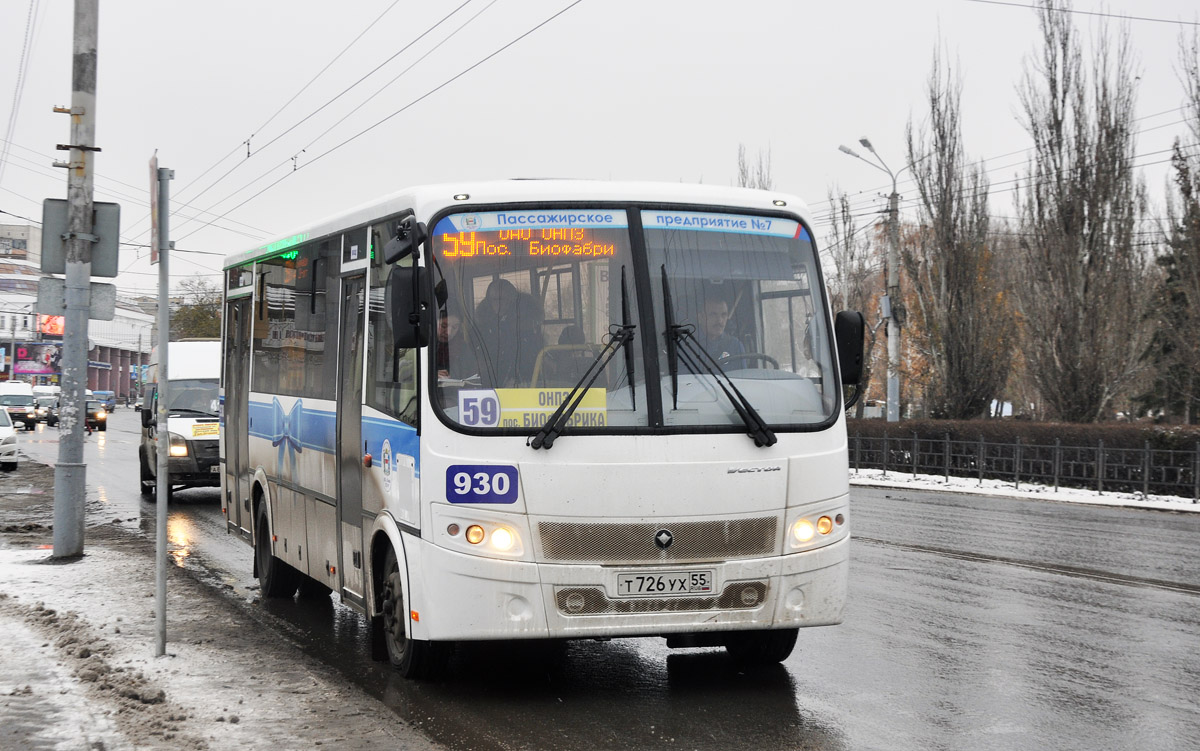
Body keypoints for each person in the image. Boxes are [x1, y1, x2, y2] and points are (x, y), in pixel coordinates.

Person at [472, 279, 543, 387]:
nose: (497, 303)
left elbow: (530, 355)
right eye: (493, 299)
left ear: (512, 300)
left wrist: (515, 379)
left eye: (502, 299)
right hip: (488, 384)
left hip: (524, 383)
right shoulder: (481, 326)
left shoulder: (525, 325)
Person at [696, 297, 744, 362]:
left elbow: (743, 372)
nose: (719, 321)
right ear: (700, 318)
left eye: (723, 315)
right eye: (713, 315)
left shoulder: (735, 346)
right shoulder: (685, 346)